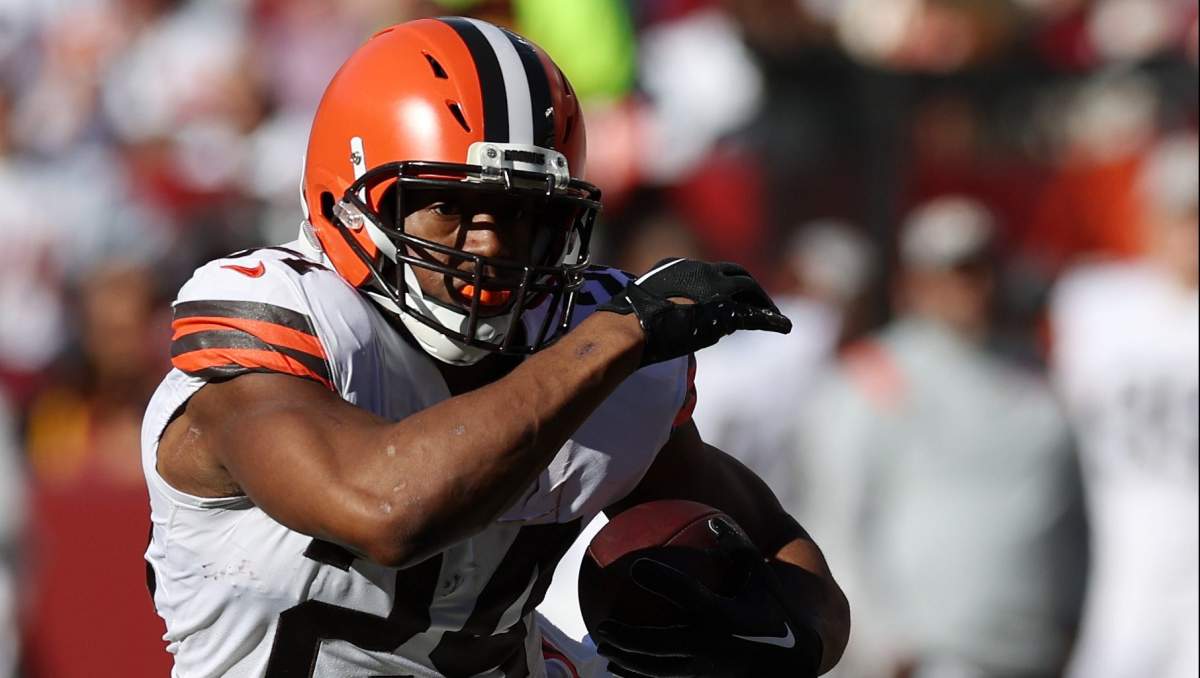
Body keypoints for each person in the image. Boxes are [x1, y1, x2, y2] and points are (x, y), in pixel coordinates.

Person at [140, 17, 849, 678]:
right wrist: (617, 336)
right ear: (347, 201)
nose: (491, 244)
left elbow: (782, 554)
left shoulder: (583, 340)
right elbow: (384, 510)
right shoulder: (283, 321)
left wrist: (786, 636)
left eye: (525, 214)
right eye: (450, 206)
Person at [794, 196, 1087, 678]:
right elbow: (834, 520)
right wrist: (881, 642)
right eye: (956, 271)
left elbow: (1073, 513)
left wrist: (1073, 619)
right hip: (928, 657)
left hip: (1033, 652)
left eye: (983, 268)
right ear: (914, 281)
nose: (974, 287)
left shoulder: (1038, 381)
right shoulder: (869, 380)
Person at [1053, 131, 1198, 678]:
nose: (1191, 233)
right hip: (1120, 577)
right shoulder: (1094, 303)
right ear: (1149, 216)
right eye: (1182, 215)